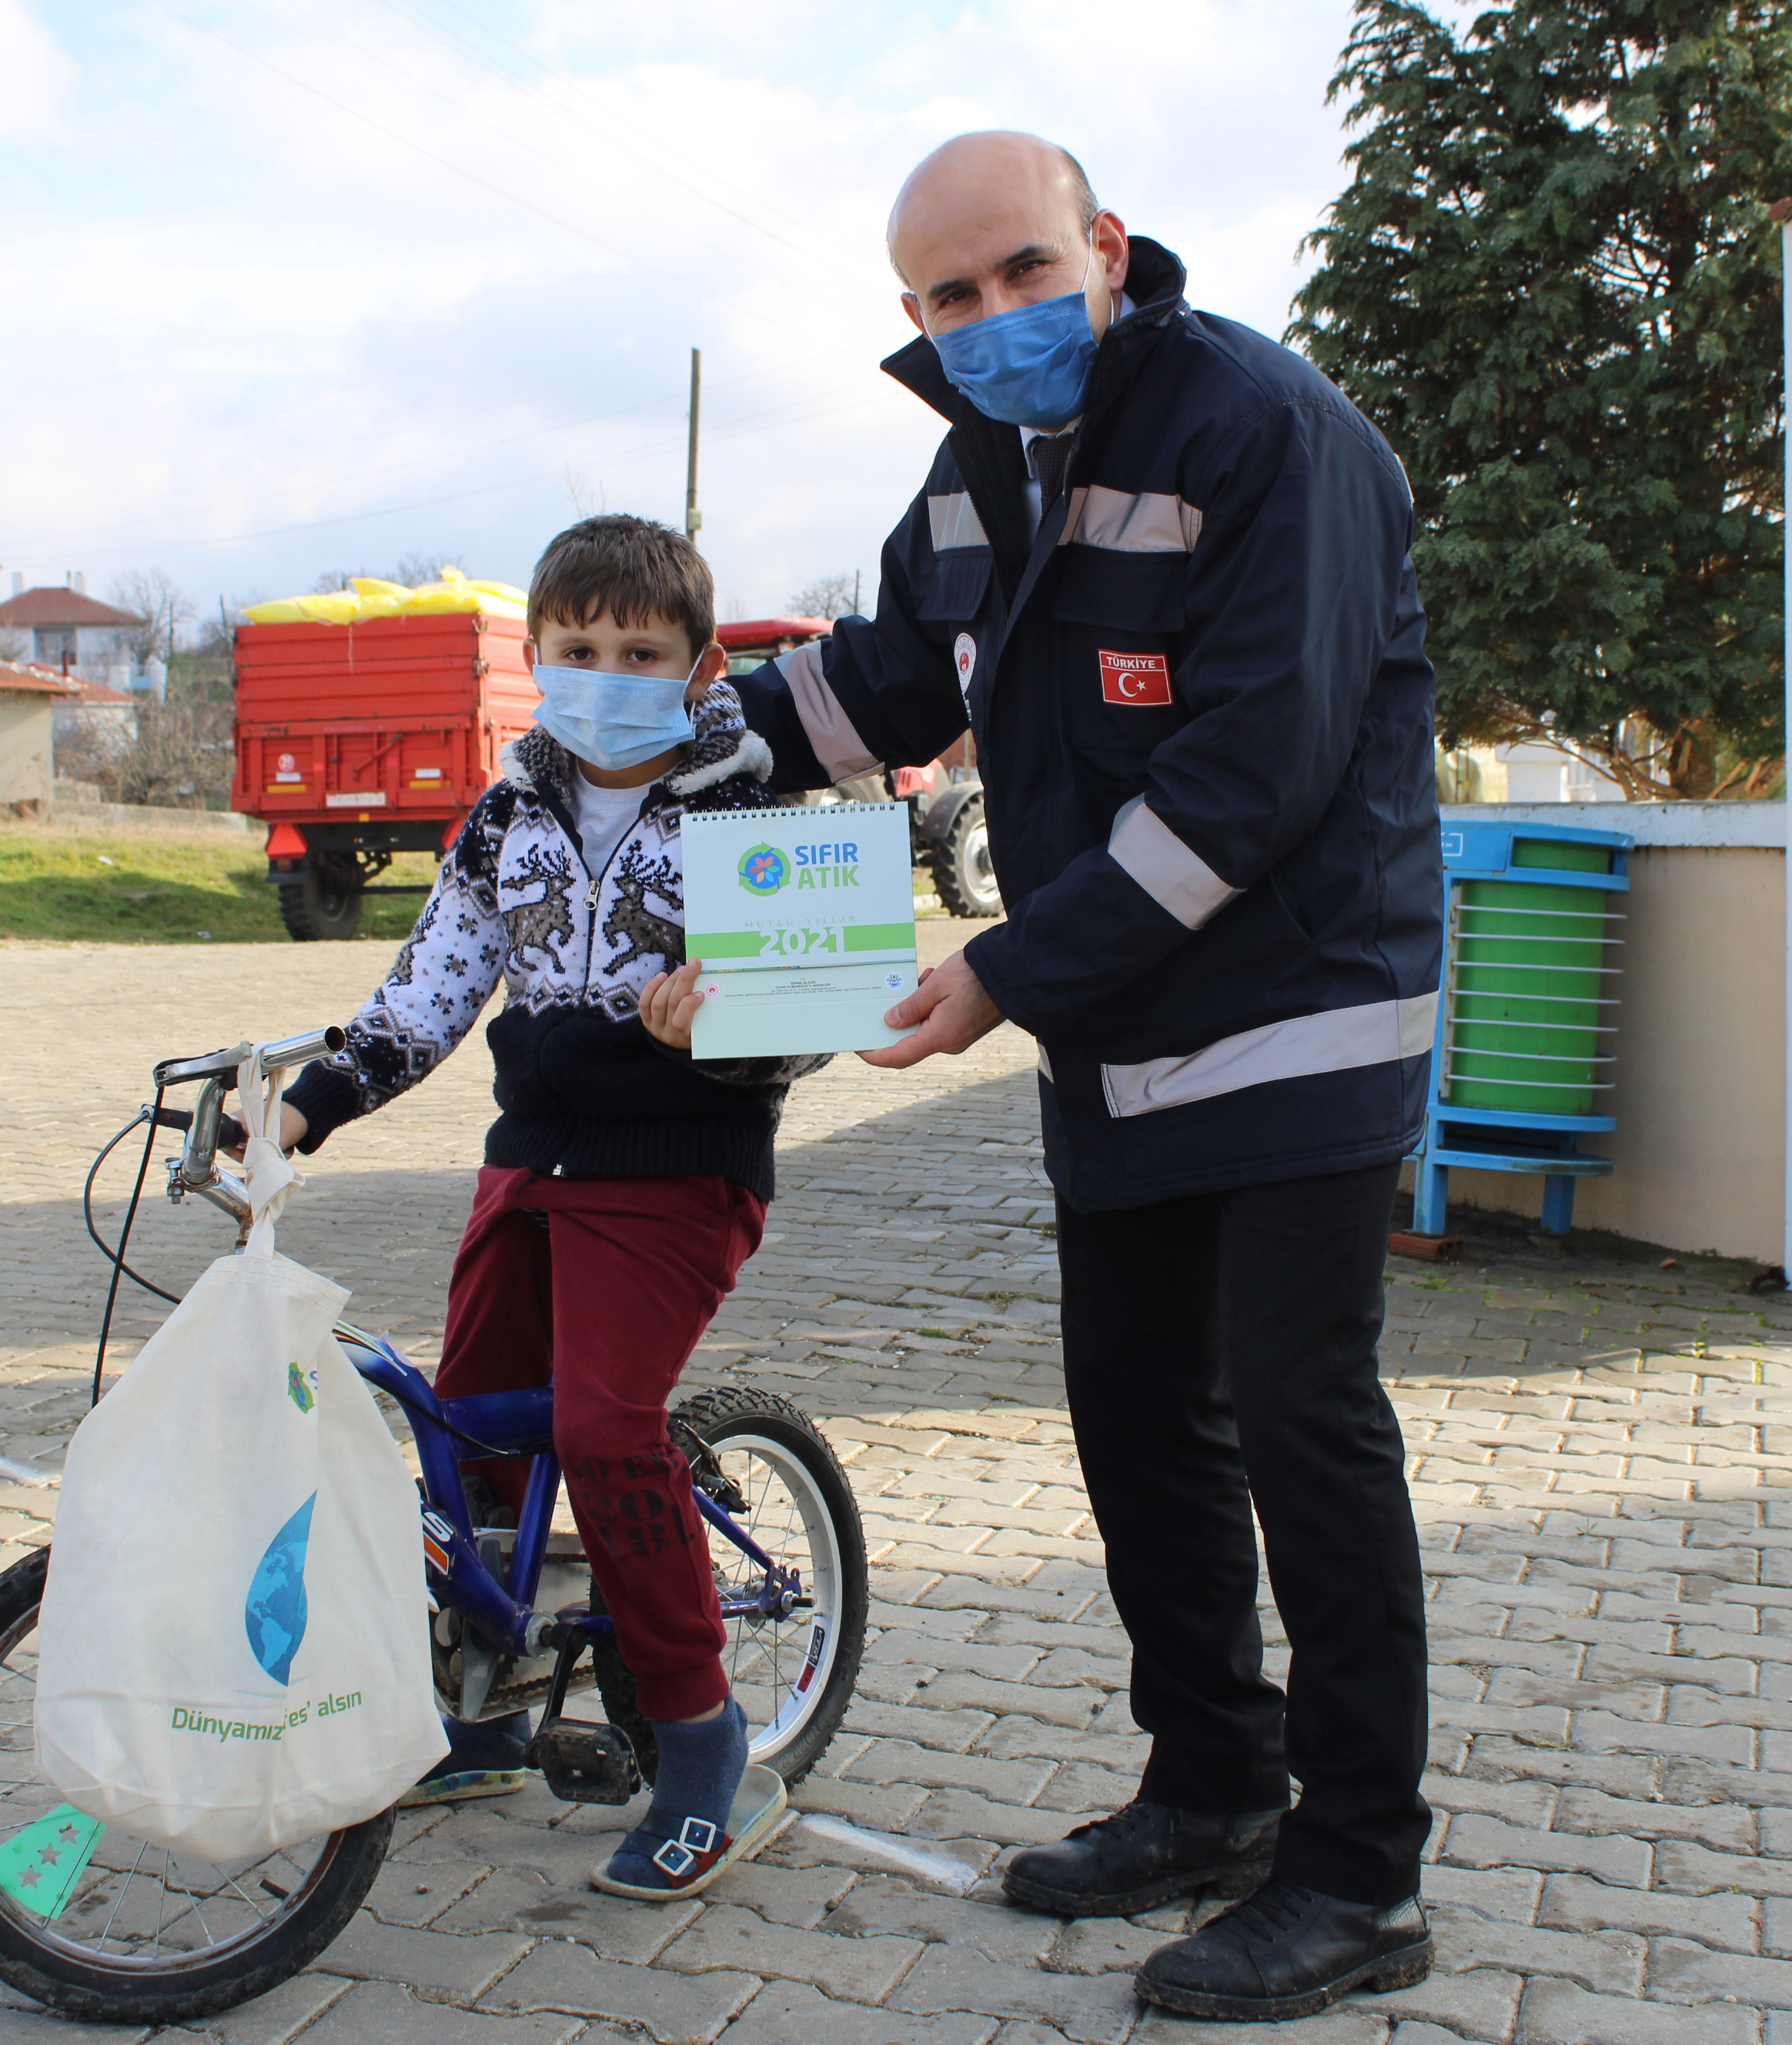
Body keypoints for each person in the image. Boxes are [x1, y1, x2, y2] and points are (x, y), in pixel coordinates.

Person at [730, 133, 1444, 2022]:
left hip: (1303, 1010)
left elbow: (1253, 772)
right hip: (1123, 1040)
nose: (997, 319)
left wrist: (1004, 969)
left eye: (1026, 272)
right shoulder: (978, 459)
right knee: (1141, 1416)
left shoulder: (1262, 430)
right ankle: (1212, 1783)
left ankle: (1360, 1871)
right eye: (953, 299)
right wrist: (654, 738)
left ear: (1107, 248)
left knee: (1303, 1416)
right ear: (916, 317)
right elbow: (883, 680)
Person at [249, 514, 824, 1902]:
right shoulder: (505, 813)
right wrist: (306, 1103)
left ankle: (706, 1749)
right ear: (537, 656)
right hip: (536, 1158)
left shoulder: (755, 816)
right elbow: (432, 986)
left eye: (643, 649)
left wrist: (727, 1032)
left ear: (698, 669)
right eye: (580, 647)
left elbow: (816, 1009)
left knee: (604, 1422)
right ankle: (483, 1711)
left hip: (681, 1165)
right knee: (470, 1423)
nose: (608, 670)